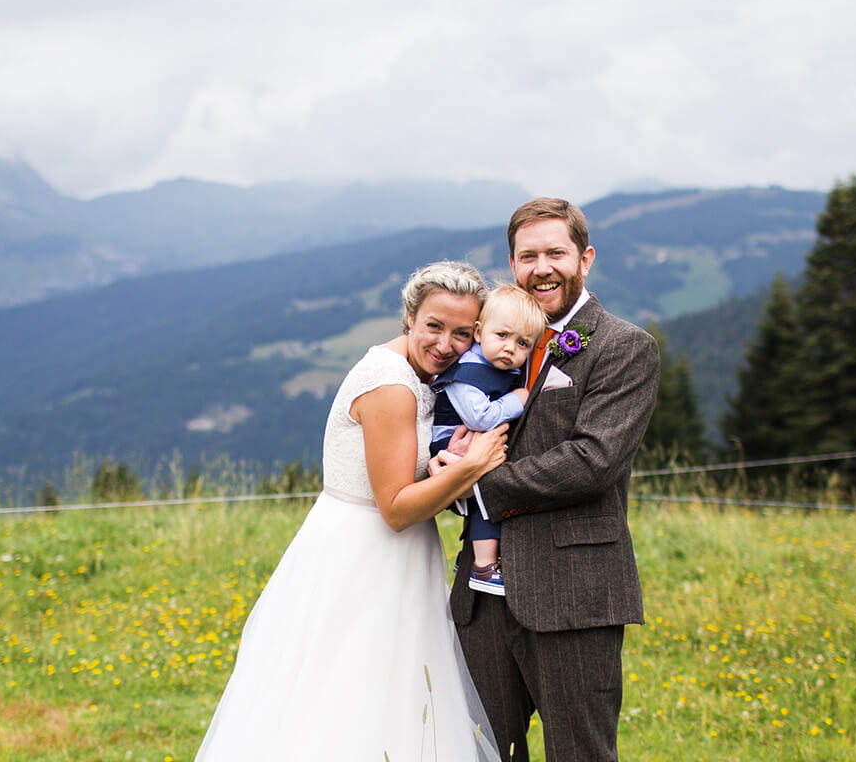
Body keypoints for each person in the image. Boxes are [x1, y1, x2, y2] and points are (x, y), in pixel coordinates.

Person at [193, 260, 508, 762]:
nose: (446, 344)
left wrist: (444, 463)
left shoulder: (418, 372)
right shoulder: (391, 385)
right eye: (434, 326)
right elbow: (396, 508)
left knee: (396, 688)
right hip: (367, 555)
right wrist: (471, 467)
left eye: (462, 333)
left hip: (391, 552)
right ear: (409, 317)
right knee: (352, 689)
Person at [446, 198, 661, 762]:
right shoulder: (490, 339)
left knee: (579, 754)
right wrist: (439, 471)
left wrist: (475, 485)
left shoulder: (623, 346)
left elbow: (594, 459)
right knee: (484, 752)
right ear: (512, 264)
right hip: (482, 595)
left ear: (585, 259)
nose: (542, 267)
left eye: (555, 253)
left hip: (574, 590)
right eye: (527, 255)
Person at [427, 283, 548, 595]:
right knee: (487, 497)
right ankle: (483, 565)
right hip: (450, 444)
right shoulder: (467, 370)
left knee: (489, 492)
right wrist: (518, 400)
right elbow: (478, 417)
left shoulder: (493, 365)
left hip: (475, 441)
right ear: (479, 332)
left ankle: (471, 559)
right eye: (502, 336)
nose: (510, 348)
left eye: (522, 343)